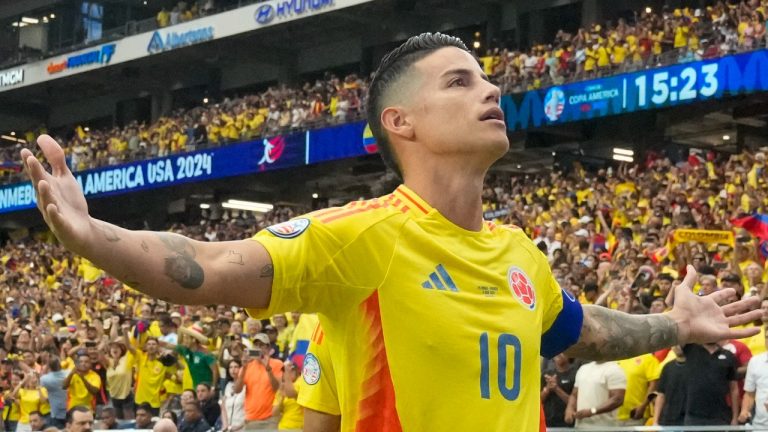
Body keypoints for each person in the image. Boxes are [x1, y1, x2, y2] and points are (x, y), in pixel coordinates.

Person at [20, 32, 762, 431]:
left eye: (486, 77)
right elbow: (208, 263)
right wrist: (92, 236)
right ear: (399, 122)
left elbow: (585, 330)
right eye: (460, 80)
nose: (492, 88)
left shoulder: (518, 256)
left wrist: (676, 321)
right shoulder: (364, 238)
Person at [682, 343, 739, 425]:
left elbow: (734, 389)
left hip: (720, 416)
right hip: (693, 416)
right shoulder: (689, 349)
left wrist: (735, 418)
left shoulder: (728, 355)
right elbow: (677, 335)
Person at [233, 334, 282, 428]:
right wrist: (243, 367)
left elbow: (277, 388)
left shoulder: (277, 364)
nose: (258, 348)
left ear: (268, 348)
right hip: (250, 418)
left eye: (261, 345)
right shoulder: (247, 365)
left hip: (270, 419)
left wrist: (268, 369)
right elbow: (237, 390)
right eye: (256, 345)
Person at [565, 360, 626, 428]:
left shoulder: (614, 369)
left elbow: (618, 399)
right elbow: (574, 394)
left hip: (605, 427)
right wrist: (569, 409)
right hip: (581, 426)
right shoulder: (583, 369)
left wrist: (592, 411)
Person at [739, 331, 768, 428]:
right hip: (760, 426)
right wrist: (744, 410)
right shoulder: (755, 362)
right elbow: (749, 394)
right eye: (767, 337)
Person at [653, 346, 688, 426]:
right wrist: (655, 421)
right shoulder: (667, 367)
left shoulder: (697, 365)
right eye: (675, 344)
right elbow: (661, 395)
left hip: (689, 420)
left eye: (680, 344)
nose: (678, 347)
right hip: (668, 420)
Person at [541, 354, 578, 427]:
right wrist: (547, 388)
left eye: (562, 352)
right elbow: (539, 400)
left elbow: (576, 403)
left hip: (568, 422)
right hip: (548, 422)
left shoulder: (576, 374)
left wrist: (556, 389)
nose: (559, 354)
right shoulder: (546, 374)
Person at [40, 358, 68, 429]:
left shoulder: (45, 379)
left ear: (49, 367)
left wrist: (46, 366)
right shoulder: (68, 373)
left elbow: (40, 378)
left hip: (56, 413)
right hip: (69, 410)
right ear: (60, 364)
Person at [219, 360, 245, 432]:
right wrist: (225, 425)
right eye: (230, 367)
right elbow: (223, 407)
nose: (233, 370)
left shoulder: (246, 386)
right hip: (228, 428)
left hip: (242, 427)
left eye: (236, 367)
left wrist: (239, 427)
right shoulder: (228, 385)